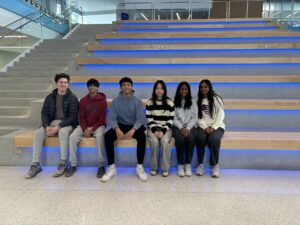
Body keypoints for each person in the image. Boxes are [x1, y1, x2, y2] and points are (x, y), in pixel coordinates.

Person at [25, 73, 79, 179]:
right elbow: (44, 113)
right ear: (56, 83)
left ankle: (63, 163)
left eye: (65, 82)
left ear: (68, 84)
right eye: (61, 82)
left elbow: (72, 117)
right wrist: (46, 126)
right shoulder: (50, 97)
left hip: (68, 124)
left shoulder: (73, 98)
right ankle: (35, 164)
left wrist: (58, 127)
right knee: (38, 132)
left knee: (63, 132)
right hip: (52, 122)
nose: (63, 84)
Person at [101, 77, 147, 182]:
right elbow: (112, 118)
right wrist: (117, 129)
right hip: (120, 125)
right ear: (121, 87)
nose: (126, 87)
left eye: (128, 85)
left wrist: (133, 130)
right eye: (124, 85)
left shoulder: (137, 101)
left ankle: (140, 167)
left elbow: (140, 118)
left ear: (131, 87)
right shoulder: (116, 101)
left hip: (134, 126)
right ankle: (111, 167)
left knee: (142, 136)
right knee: (108, 136)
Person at [66, 79, 107, 178]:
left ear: (97, 87)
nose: (92, 88)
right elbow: (82, 116)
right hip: (84, 126)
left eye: (94, 86)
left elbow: (102, 119)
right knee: (72, 136)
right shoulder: (83, 100)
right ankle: (73, 165)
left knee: (100, 136)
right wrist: (85, 128)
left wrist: (92, 129)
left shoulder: (102, 100)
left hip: (98, 126)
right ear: (87, 88)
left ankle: (101, 165)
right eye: (90, 86)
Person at [195, 79, 225, 178]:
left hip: (217, 126)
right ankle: (200, 165)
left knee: (214, 139)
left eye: (205, 87)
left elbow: (221, 114)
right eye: (201, 87)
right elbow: (198, 117)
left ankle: (215, 165)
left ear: (209, 87)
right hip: (203, 127)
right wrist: (205, 127)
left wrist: (214, 127)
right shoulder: (198, 100)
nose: (203, 89)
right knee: (200, 138)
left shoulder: (216, 98)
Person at [146, 80, 174, 177]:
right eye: (157, 88)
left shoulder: (170, 102)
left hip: (166, 128)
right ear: (154, 90)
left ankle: (165, 168)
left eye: (161, 88)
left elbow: (170, 120)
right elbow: (149, 119)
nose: (159, 90)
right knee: (154, 142)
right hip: (152, 128)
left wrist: (163, 131)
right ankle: (154, 168)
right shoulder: (149, 102)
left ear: (164, 90)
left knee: (165, 141)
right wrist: (155, 131)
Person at [172, 81, 198, 177]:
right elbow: (173, 118)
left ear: (189, 90)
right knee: (180, 139)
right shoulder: (174, 102)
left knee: (191, 139)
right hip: (177, 126)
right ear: (179, 90)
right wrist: (181, 128)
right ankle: (180, 164)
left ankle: (188, 164)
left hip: (190, 126)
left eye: (186, 89)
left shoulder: (193, 102)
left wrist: (187, 128)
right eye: (182, 89)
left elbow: (194, 118)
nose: (184, 91)